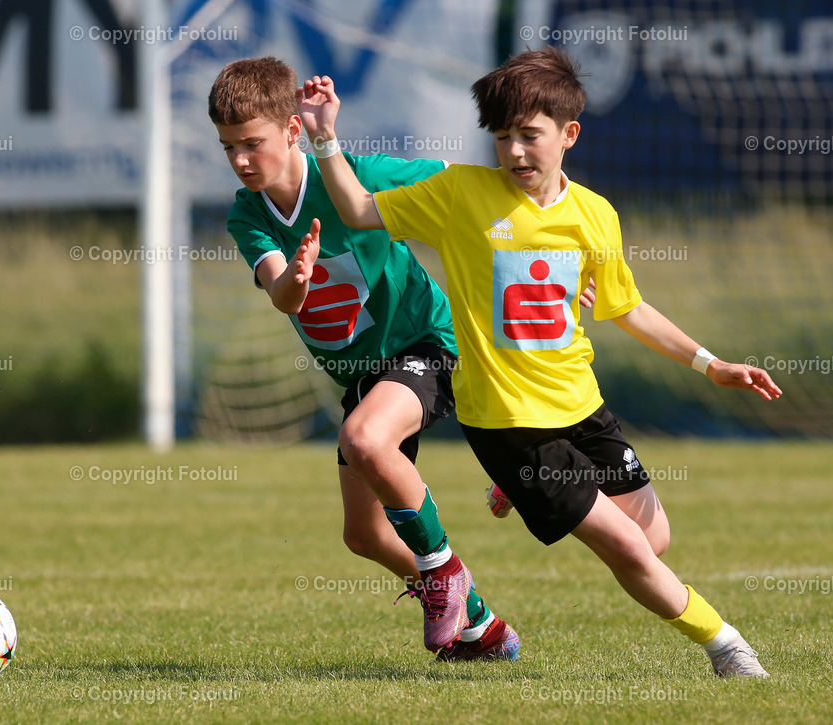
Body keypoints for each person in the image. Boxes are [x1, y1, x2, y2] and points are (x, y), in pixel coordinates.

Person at [300, 46, 782, 678]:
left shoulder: (594, 215)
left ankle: (515, 490)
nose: (515, 152)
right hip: (509, 426)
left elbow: (627, 309)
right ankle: (727, 648)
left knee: (654, 539)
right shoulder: (462, 195)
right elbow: (360, 210)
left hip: (582, 407)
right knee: (630, 550)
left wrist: (710, 364)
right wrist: (327, 140)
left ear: (568, 135)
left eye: (530, 136)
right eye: (502, 138)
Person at [208, 57, 528, 661]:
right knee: (364, 535)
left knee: (363, 439)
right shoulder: (247, 213)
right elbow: (282, 295)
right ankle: (478, 623)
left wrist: (541, 218)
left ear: (293, 130)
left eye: (253, 144)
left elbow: (461, 188)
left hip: (425, 345)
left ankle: (444, 573)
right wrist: (297, 280)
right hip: (361, 376)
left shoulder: (359, 176)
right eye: (229, 148)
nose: (242, 160)